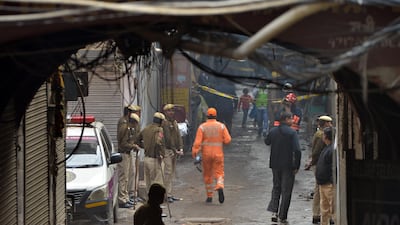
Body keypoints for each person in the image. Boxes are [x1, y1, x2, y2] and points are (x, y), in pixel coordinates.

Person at [264, 111, 301, 224]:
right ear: (286, 119)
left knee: (276, 187)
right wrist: (296, 165)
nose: (292, 121)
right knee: (286, 191)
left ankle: (274, 212)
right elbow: (297, 150)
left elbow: (267, 142)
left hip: (275, 165)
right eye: (291, 119)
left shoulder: (273, 131)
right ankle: (282, 216)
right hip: (288, 166)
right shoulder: (292, 133)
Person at [192, 107, 232, 204]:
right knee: (219, 172)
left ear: (207, 116)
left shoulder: (202, 127)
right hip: (218, 154)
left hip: (206, 154)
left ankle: (209, 196)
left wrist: (195, 153)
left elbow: (197, 143)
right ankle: (219, 185)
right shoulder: (221, 126)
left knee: (207, 175)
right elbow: (228, 140)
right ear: (216, 116)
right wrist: (220, 140)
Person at [305, 115, 333, 224]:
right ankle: (318, 214)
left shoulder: (319, 133)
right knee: (319, 190)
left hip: (319, 164)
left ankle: (318, 214)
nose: (330, 125)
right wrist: (312, 162)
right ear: (325, 124)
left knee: (318, 190)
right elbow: (316, 151)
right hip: (320, 165)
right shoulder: (321, 135)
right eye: (329, 123)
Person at [136, 112, 166, 196]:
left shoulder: (146, 129)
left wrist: (144, 146)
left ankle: (150, 201)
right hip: (155, 159)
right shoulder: (159, 130)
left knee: (148, 183)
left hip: (146, 159)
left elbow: (137, 140)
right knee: (157, 183)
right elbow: (158, 142)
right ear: (160, 121)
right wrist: (159, 154)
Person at [117, 107, 140, 208]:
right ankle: (122, 199)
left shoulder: (128, 127)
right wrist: (133, 146)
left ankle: (125, 197)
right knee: (124, 177)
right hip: (124, 153)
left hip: (128, 153)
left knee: (127, 177)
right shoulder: (125, 126)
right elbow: (123, 143)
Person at [161, 104, 184, 203]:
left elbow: (178, 136)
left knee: (171, 173)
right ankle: (166, 194)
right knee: (168, 172)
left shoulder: (174, 122)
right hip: (167, 150)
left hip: (174, 150)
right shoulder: (165, 123)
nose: (171, 112)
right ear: (165, 112)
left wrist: (181, 148)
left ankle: (169, 193)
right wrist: (175, 149)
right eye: (169, 111)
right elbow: (168, 138)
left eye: (172, 111)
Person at [316, 127, 336, 225]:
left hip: (328, 184)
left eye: (323, 135)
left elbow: (333, 167)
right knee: (324, 209)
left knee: (332, 209)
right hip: (323, 184)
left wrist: (331, 181)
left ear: (326, 137)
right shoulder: (327, 148)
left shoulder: (331, 150)